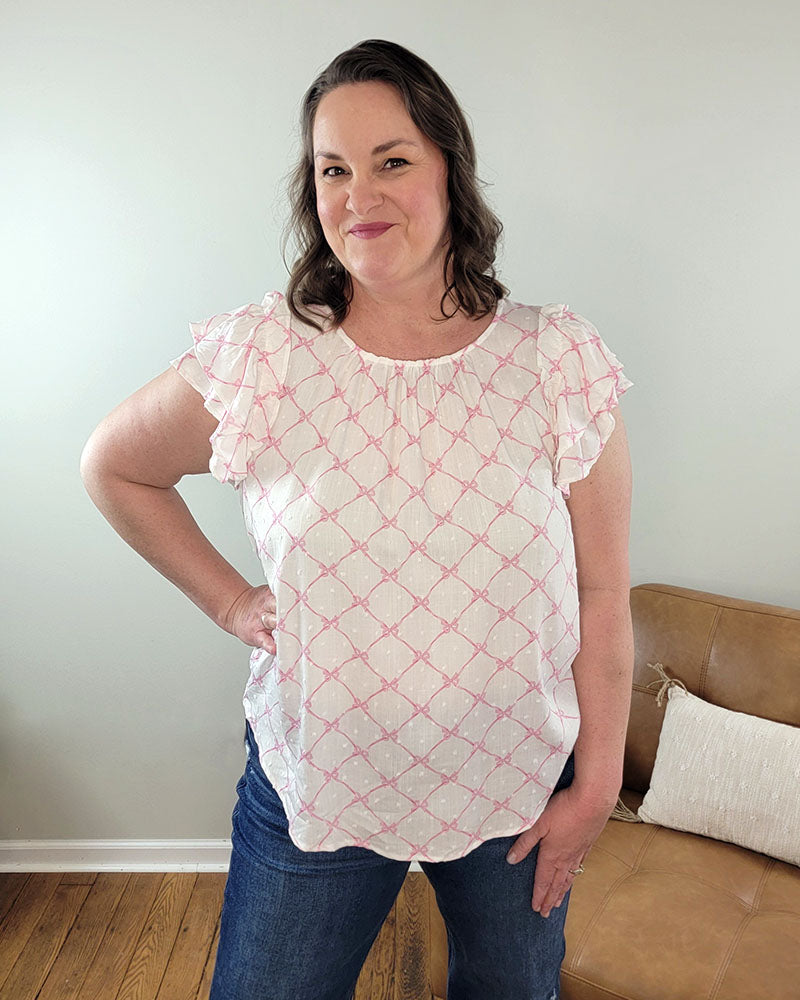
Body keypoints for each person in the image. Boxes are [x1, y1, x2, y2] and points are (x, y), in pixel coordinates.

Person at [80, 38, 634, 1000]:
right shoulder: (263, 358)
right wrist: (229, 603)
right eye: (333, 168)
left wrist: (597, 787)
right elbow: (116, 468)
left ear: (450, 170)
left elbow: (601, 593)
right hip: (321, 782)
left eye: (392, 161)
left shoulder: (555, 362)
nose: (359, 195)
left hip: (513, 780)